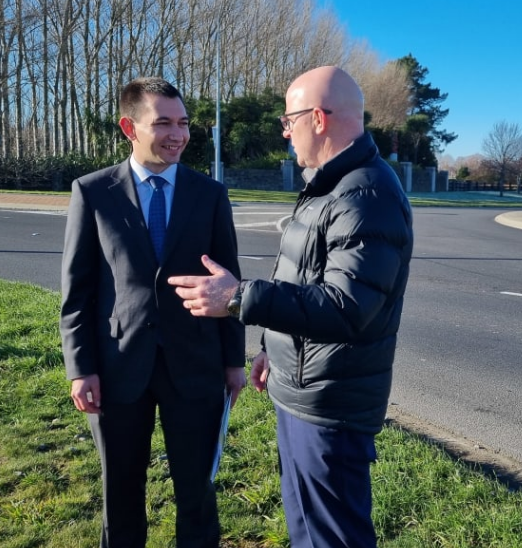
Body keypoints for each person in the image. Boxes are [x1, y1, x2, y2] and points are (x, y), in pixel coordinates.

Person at [168, 65, 414, 548]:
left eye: (289, 119)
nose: (284, 130)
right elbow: (304, 281)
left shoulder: (365, 194)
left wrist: (239, 297)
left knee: (330, 537)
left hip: (329, 407)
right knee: (308, 527)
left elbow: (346, 306)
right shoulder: (330, 184)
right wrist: (273, 350)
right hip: (305, 387)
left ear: (318, 119)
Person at [60, 77, 246, 548]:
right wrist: (80, 368)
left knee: (197, 494)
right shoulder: (93, 192)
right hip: (118, 367)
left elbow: (229, 283)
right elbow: (78, 291)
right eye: (163, 122)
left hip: (196, 365)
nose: (177, 134)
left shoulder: (210, 195)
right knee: (121, 492)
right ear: (130, 127)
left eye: (183, 123)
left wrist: (233, 362)